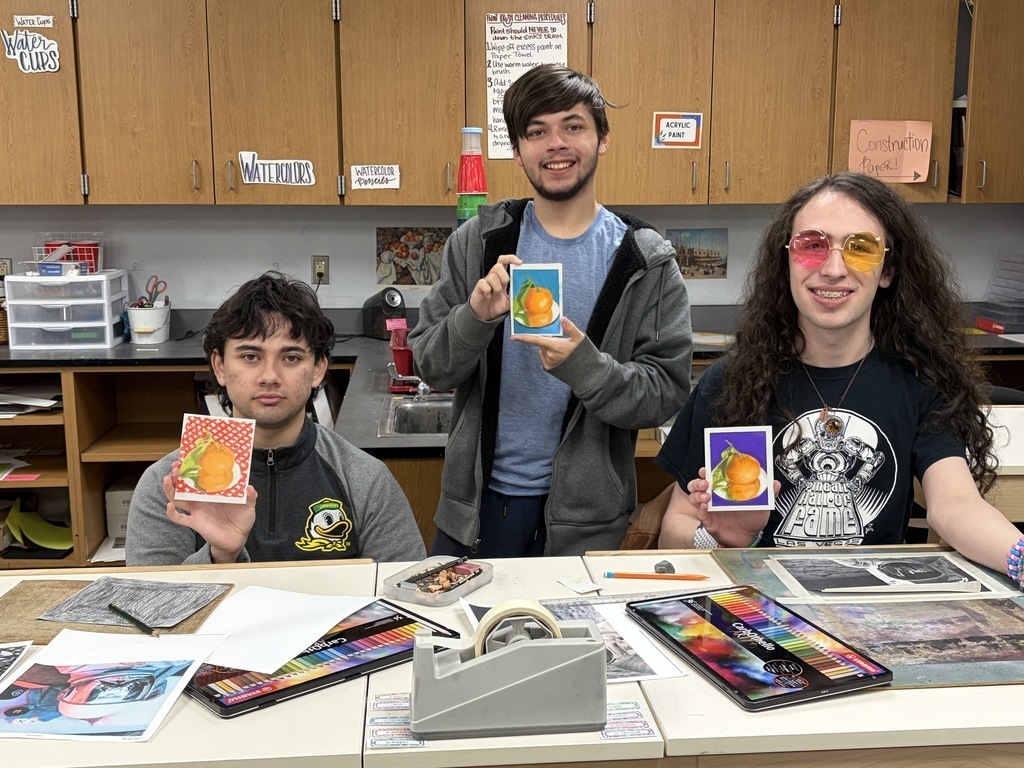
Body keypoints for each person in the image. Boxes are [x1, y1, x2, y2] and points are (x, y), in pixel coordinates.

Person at [656, 172, 1024, 589]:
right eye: (812, 245)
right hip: (757, 605)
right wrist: (726, 539)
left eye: (861, 248)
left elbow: (956, 505)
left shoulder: (919, 381)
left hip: (874, 612)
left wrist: (1021, 560)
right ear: (788, 261)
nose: (833, 269)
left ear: (888, 269)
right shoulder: (731, 383)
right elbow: (674, 530)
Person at [409, 64, 692, 557]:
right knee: (464, 635)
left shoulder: (646, 262)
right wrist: (474, 319)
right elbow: (430, 367)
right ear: (518, 152)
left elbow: (664, 396)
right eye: (537, 132)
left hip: (589, 526)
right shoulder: (478, 243)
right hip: (475, 514)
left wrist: (586, 367)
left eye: (573, 126)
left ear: (602, 138)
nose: (555, 144)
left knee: (581, 637)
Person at [126, 272, 426, 565]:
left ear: (318, 370)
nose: (270, 377)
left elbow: (408, 598)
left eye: (291, 358)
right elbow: (149, 609)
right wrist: (221, 556)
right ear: (219, 366)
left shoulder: (365, 481)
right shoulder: (166, 484)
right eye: (250, 357)